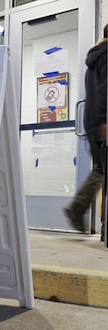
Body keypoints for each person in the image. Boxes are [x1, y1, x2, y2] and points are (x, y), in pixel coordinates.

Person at [64, 24, 107, 240]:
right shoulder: (107, 55)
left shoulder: (95, 58)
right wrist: (104, 121)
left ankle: (79, 208)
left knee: (100, 170)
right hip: (101, 123)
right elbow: (104, 91)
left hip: (92, 121)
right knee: (101, 171)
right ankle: (78, 208)